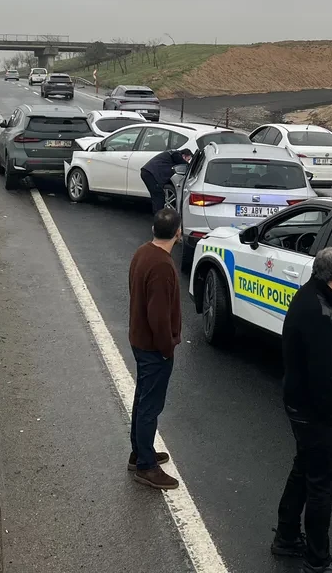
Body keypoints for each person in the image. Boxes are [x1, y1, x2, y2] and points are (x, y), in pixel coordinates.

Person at [273, 246, 332, 573]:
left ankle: (287, 536)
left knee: (303, 468)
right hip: (315, 413)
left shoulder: (307, 296)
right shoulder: (321, 315)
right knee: (322, 484)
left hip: (298, 403)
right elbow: (320, 375)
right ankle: (317, 559)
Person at [127, 208, 184, 490]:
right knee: (150, 405)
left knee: (142, 398)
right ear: (178, 232)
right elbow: (159, 316)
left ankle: (139, 452)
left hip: (139, 340)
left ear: (153, 230)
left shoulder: (142, 253)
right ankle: (146, 466)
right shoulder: (162, 266)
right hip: (153, 348)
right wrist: (166, 348)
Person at [140, 146, 193, 214]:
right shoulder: (176, 154)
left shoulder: (172, 153)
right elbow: (179, 159)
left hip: (148, 173)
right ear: (183, 155)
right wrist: (190, 166)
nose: (187, 161)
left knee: (158, 196)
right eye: (187, 159)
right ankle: (159, 219)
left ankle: (159, 217)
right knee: (158, 197)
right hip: (150, 174)